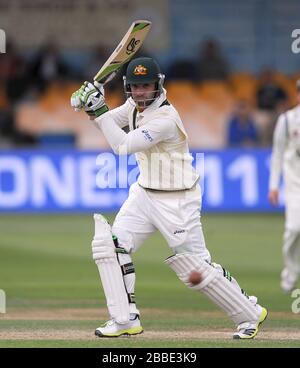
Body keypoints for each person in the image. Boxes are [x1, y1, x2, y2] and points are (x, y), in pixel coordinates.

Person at [71, 57, 267, 339]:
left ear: (157, 84)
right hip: (144, 193)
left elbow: (123, 146)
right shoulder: (132, 107)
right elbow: (106, 125)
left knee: (194, 269)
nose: (140, 93)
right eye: (135, 87)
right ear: (128, 87)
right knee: (109, 246)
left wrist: (98, 108)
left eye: (146, 86)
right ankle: (125, 320)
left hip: (177, 200)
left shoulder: (165, 118)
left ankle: (250, 314)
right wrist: (89, 107)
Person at [268, 80, 300, 293]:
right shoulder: (287, 120)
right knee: (294, 229)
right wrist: (273, 185)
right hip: (294, 185)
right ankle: (290, 272)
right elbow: (278, 153)